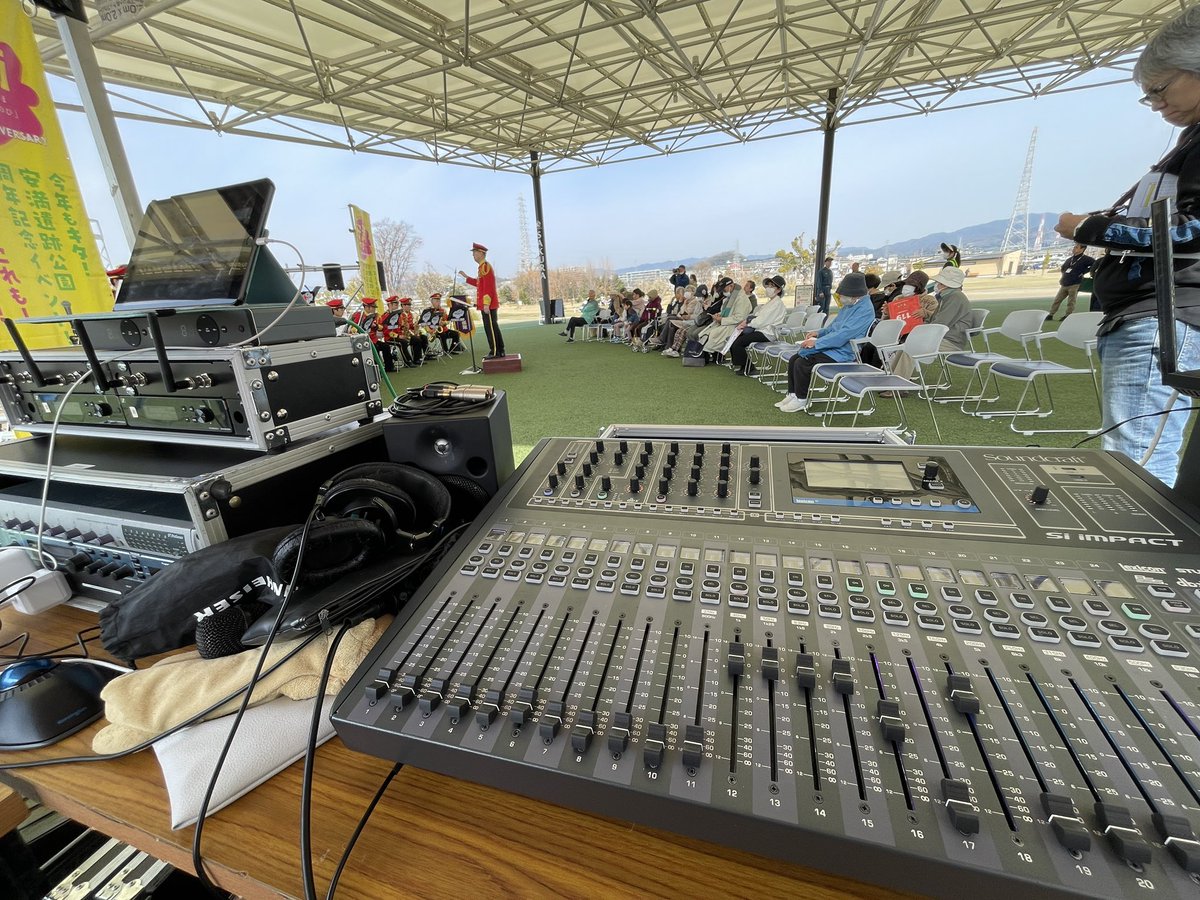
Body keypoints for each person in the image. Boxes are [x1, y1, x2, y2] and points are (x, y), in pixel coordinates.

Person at [1054, 5, 1200, 488]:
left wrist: (1091, 229)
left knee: (1134, 464)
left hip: (1163, 317)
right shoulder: (1190, 140)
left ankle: (1143, 563)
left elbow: (1188, 230)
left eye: (1160, 89)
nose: (1156, 104)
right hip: (1150, 315)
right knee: (1133, 453)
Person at [776, 272, 875, 412]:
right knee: (794, 359)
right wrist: (819, 333)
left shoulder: (865, 310)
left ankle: (801, 399)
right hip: (832, 346)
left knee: (803, 363)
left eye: (844, 295)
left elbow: (843, 335)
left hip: (844, 352)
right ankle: (792, 394)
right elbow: (834, 327)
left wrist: (816, 343)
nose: (841, 298)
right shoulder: (850, 305)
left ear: (856, 295)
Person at [890, 266, 974, 378]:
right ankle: (893, 378)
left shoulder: (955, 297)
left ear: (945, 284)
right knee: (907, 346)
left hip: (950, 341)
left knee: (912, 347)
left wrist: (919, 330)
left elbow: (940, 324)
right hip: (944, 338)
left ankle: (897, 384)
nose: (937, 284)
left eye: (939, 282)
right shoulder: (948, 296)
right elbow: (935, 321)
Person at [729, 275, 787, 375]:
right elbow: (757, 316)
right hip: (760, 330)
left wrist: (747, 324)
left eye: (772, 286)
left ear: (778, 290)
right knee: (735, 338)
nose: (769, 288)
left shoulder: (777, 304)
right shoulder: (771, 302)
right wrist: (747, 322)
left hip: (767, 333)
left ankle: (749, 367)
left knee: (739, 342)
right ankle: (743, 365)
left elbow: (761, 321)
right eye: (768, 285)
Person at [459, 242, 504, 359]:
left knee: (490, 328)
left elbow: (488, 287)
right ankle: (500, 350)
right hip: (487, 304)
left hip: (488, 304)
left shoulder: (485, 267)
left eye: (474, 253)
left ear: (481, 253)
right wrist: (466, 277)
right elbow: (480, 284)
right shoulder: (482, 267)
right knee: (493, 327)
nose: (473, 255)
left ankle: (494, 351)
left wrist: (486, 304)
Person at [693, 278, 751, 359]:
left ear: (731, 286)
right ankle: (707, 355)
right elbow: (726, 311)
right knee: (705, 332)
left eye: (724, 289)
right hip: (726, 323)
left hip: (735, 326)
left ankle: (706, 355)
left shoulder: (741, 298)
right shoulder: (730, 296)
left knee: (713, 333)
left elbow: (739, 318)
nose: (723, 291)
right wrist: (719, 315)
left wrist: (721, 320)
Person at [1048, 243, 1096, 321]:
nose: (1074, 249)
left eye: (1076, 247)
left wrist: (1083, 272)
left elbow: (1095, 264)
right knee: (1057, 300)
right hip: (1065, 283)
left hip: (1075, 283)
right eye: (1074, 247)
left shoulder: (1086, 259)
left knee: (1071, 301)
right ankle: (1051, 314)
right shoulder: (1070, 259)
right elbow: (1063, 268)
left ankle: (1067, 315)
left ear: (1082, 249)